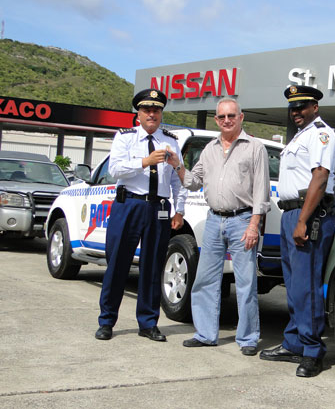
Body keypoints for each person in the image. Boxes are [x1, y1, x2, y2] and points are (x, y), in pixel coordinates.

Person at [167, 97, 270, 356]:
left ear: (241, 117)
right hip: (214, 220)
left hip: (242, 220)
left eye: (231, 115)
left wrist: (254, 225)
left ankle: (248, 338)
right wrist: (177, 165)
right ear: (216, 120)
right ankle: (205, 334)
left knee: (246, 283)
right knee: (204, 280)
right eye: (222, 116)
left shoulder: (255, 148)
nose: (227, 120)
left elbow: (261, 191)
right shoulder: (209, 149)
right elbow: (192, 182)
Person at [95, 88, 186, 342]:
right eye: (147, 110)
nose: (151, 114)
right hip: (129, 205)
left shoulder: (171, 141)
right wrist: (145, 162)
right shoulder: (125, 137)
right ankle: (106, 321)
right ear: (138, 114)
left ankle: (148, 323)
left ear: (161, 113)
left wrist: (179, 210)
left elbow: (177, 179)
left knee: (153, 266)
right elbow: (115, 170)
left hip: (158, 208)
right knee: (117, 264)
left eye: (156, 110)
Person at [260, 85, 335, 378]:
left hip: (309, 213)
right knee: (293, 285)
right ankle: (294, 343)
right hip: (291, 212)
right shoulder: (300, 137)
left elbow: (320, 176)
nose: (296, 112)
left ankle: (312, 351)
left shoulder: (321, 134)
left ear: (315, 107)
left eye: (302, 107)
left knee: (306, 286)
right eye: (292, 108)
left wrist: (303, 220)